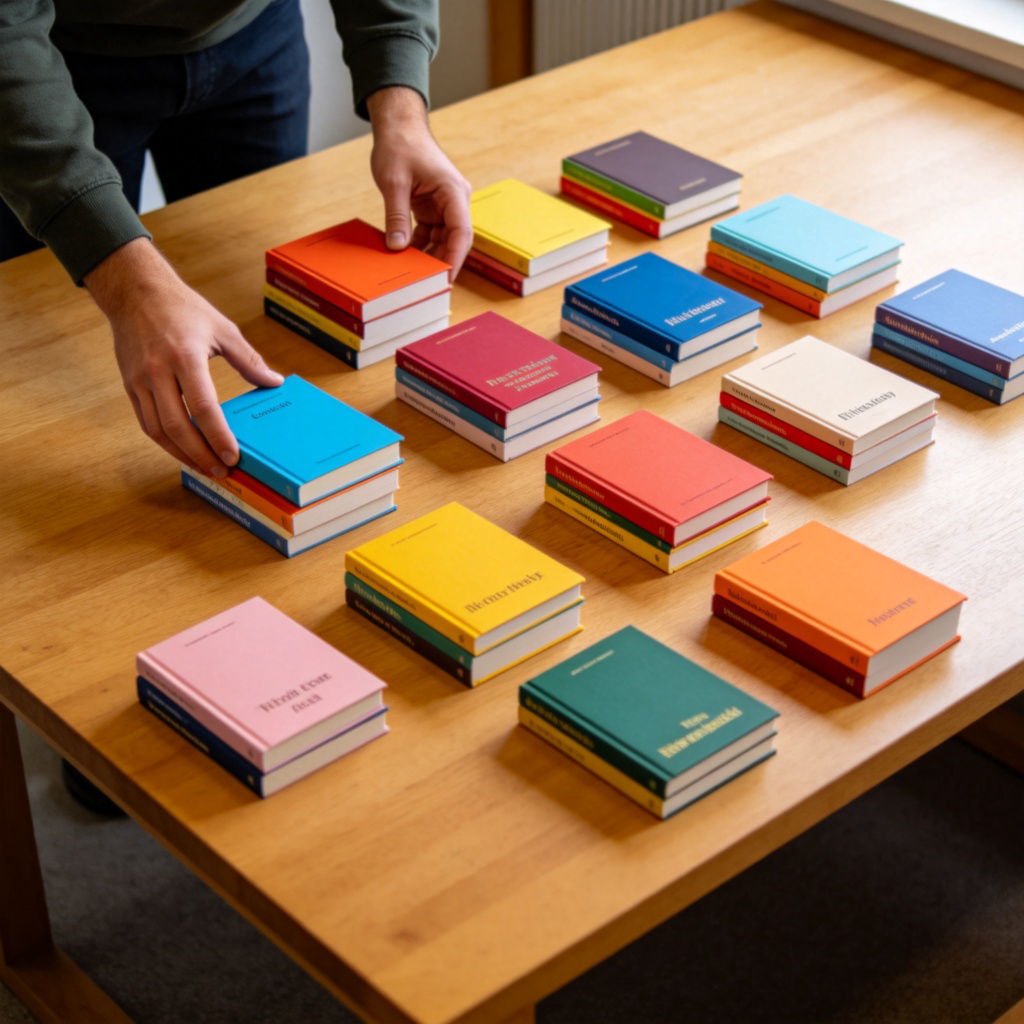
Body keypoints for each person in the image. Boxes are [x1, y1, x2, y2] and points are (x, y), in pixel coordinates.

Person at [1, 0, 472, 815]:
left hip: (253, 42)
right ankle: (131, 715)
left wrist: (399, 95)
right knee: (64, 408)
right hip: (48, 65)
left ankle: (238, 691)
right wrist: (122, 276)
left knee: (260, 380)